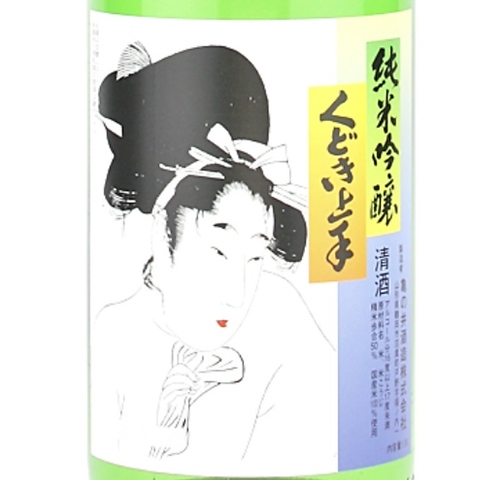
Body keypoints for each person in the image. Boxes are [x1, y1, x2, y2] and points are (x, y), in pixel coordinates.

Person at [91, 43, 337, 477]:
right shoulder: (114, 334)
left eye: (255, 256)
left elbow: (334, 438)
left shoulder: (284, 321)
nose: (236, 294)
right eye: (218, 250)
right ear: (162, 229)